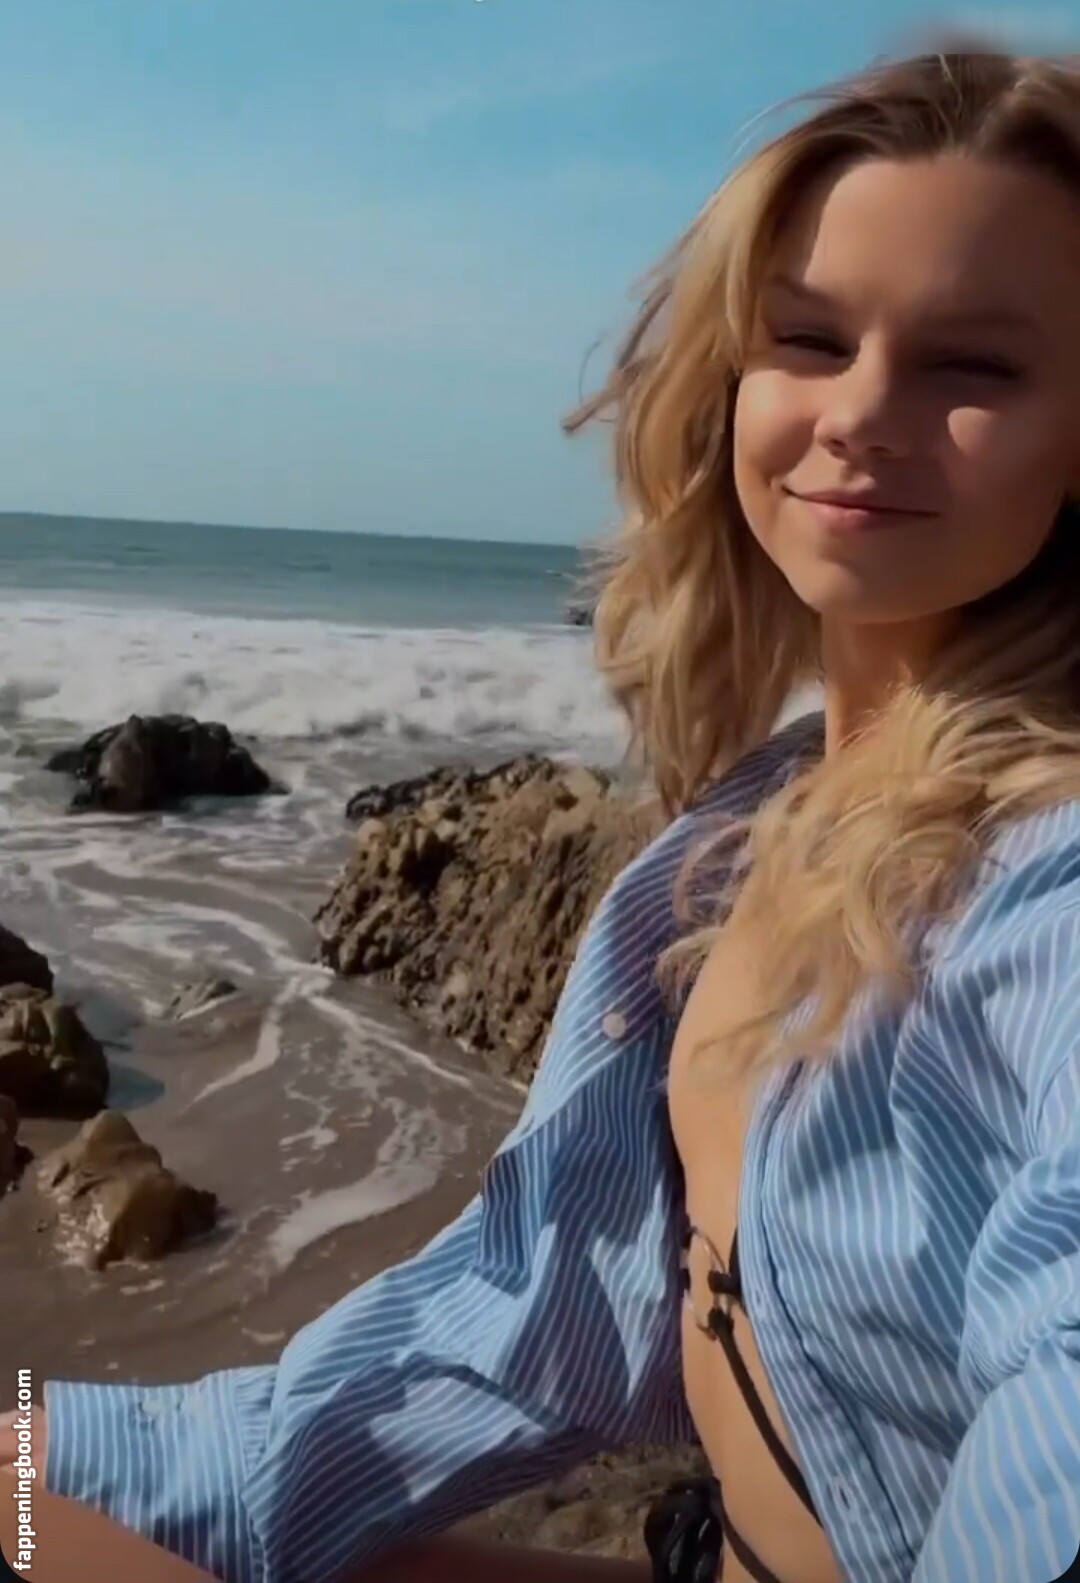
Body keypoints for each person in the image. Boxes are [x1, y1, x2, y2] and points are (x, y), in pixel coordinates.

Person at [6, 38, 1080, 1583]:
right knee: (34, 1514)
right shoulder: (735, 848)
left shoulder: (1044, 882)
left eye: (974, 365)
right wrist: (48, 1458)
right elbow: (507, 1333)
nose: (863, 411)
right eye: (808, 338)